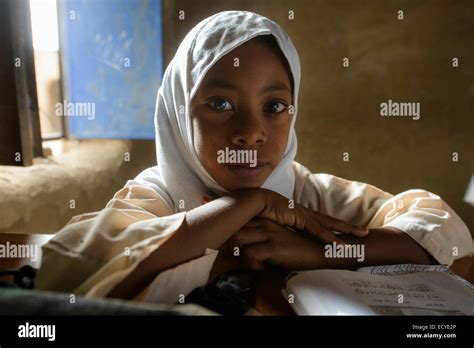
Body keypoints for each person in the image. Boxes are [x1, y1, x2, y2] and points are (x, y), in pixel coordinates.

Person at [36, 10, 473, 305]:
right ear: (177, 110)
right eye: (220, 104)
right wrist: (248, 204)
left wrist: (317, 253)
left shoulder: (309, 194)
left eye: (275, 107)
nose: (250, 133)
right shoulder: (159, 194)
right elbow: (72, 268)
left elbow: (442, 233)